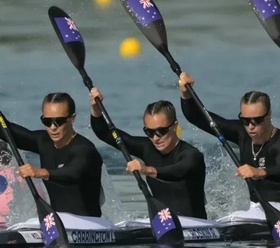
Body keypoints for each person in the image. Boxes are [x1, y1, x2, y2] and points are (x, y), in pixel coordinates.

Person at [89, 87, 207, 219]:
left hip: (195, 223)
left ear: (174, 126)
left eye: (161, 131)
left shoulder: (192, 155)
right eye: (149, 132)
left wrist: (146, 169)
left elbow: (176, 172)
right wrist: (96, 108)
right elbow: (104, 132)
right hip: (163, 222)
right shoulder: (147, 148)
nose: (155, 138)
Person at [179, 72, 280, 220]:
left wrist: (259, 172)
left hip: (277, 209)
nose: (250, 126)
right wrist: (185, 94)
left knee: (234, 219)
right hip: (256, 209)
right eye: (245, 120)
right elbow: (196, 117)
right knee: (230, 219)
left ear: (269, 115)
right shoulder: (242, 134)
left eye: (257, 120)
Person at [0, 93, 104, 217]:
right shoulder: (43, 142)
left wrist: (40, 172)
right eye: (47, 121)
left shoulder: (85, 149)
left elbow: (73, 174)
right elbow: (6, 130)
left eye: (59, 121)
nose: (53, 127)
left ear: (72, 118)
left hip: (91, 224)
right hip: (58, 223)